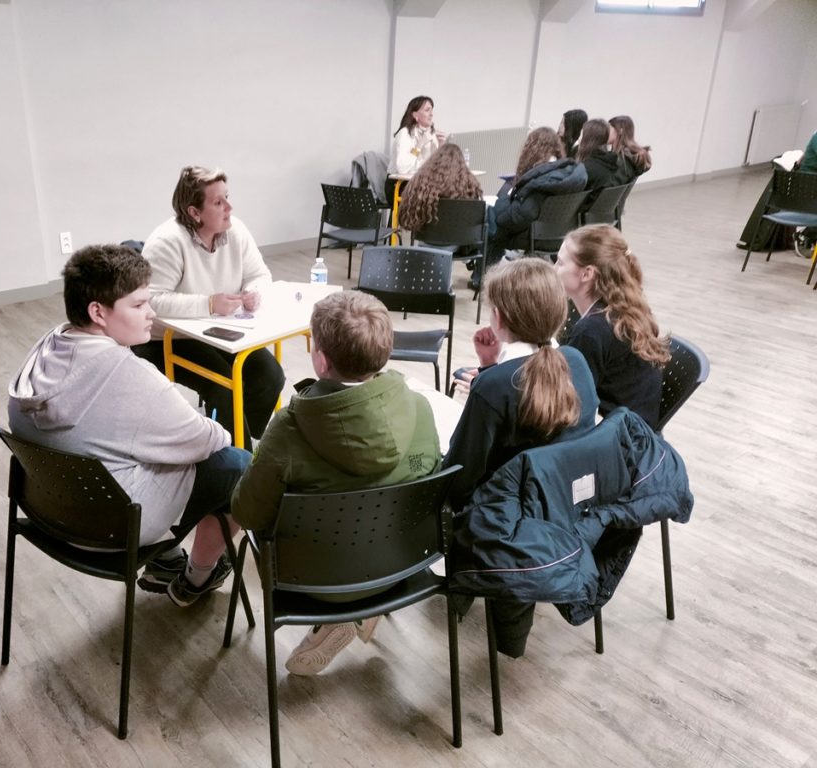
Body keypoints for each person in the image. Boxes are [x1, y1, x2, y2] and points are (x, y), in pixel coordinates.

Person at [8, 244, 250, 607]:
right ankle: (196, 579)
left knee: (141, 447)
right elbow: (209, 440)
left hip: (50, 510)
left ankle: (166, 561)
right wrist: (198, 430)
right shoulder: (131, 378)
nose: (151, 313)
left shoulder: (44, 351)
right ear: (98, 312)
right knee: (238, 465)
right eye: (138, 305)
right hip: (115, 527)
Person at [231, 290, 441, 676]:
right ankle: (358, 613)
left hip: (316, 583)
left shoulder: (288, 430)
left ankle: (341, 616)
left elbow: (246, 513)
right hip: (400, 567)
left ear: (321, 360)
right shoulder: (421, 408)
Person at [444, 258, 598, 658]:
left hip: (508, 525)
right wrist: (490, 366)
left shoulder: (496, 387)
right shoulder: (577, 362)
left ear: (498, 317)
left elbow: (460, 477)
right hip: (571, 506)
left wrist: (489, 376)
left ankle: (457, 591)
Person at [135, 166, 285, 450]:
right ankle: (238, 462)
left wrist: (254, 291)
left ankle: (240, 439)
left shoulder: (236, 230)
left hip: (217, 330)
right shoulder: (167, 241)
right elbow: (152, 300)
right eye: (218, 202)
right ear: (194, 213)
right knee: (224, 388)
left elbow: (260, 274)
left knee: (270, 376)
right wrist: (209, 303)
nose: (229, 207)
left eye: (227, 197)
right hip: (167, 339)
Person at [555, 224, 670, 429]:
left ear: (587, 274)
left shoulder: (592, 330)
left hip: (617, 439)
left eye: (560, 263)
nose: (554, 269)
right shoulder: (622, 308)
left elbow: (566, 403)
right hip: (630, 431)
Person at [488, 127, 588, 264]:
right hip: (558, 235)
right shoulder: (566, 175)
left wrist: (503, 197)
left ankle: (486, 271)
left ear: (531, 150)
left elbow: (516, 219)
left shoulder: (540, 182)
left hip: (530, 236)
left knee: (491, 219)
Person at [398, 142, 483, 232]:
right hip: (460, 237)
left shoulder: (419, 183)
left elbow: (405, 215)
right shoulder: (471, 185)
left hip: (426, 238)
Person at [386, 95, 447, 203]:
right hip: (398, 184)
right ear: (415, 115)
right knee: (433, 197)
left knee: (448, 192)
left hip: (420, 182)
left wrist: (441, 146)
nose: (431, 114)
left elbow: (436, 167)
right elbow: (402, 169)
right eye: (427, 110)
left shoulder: (430, 134)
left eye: (432, 110)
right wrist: (420, 144)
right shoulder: (404, 134)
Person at [576, 118, 620, 194]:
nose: (579, 139)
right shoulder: (609, 162)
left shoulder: (586, 169)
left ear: (587, 139)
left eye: (581, 135)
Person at [609, 115, 652, 184]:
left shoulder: (622, 160)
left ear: (620, 131)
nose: (604, 132)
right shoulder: (630, 156)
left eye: (608, 129)